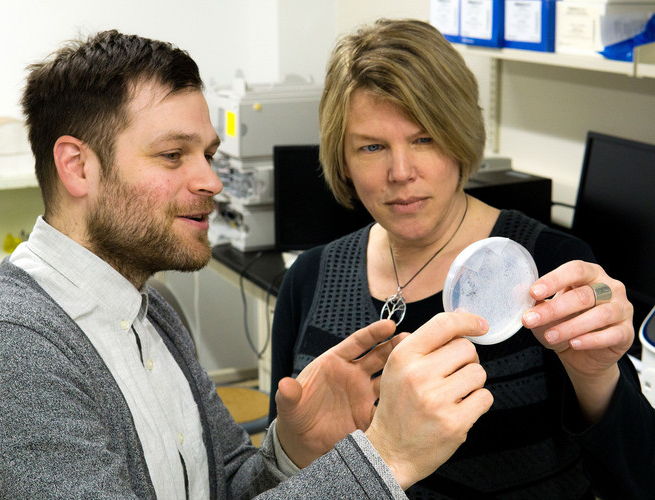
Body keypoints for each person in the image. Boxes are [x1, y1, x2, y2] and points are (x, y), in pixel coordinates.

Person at [0, 30, 496, 499]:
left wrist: (294, 452)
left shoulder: (150, 312)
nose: (211, 181)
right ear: (77, 167)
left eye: (207, 154)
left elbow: (228, 484)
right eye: (173, 155)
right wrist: (386, 458)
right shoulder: (0, 353)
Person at [269, 18, 655, 499]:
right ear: (342, 159)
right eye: (372, 146)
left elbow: (641, 479)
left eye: (424, 139)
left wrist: (596, 378)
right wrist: (296, 452)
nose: (401, 172)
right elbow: (279, 476)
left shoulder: (549, 267)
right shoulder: (309, 278)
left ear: (460, 137)